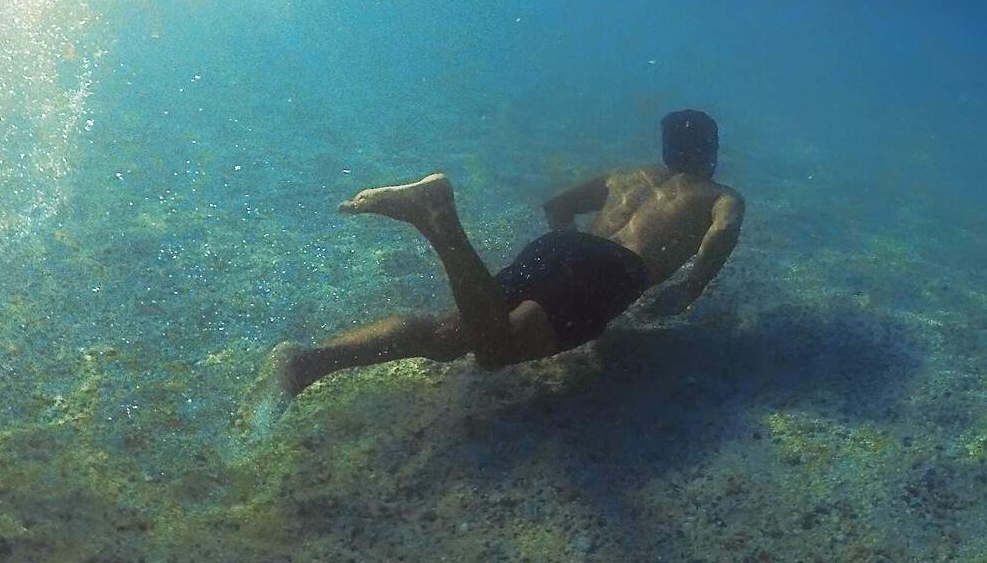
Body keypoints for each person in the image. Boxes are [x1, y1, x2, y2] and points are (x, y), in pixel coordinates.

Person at [246, 109, 744, 410]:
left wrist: (567, 259)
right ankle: (436, 219)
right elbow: (720, 235)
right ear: (712, 149)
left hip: (557, 249)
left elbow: (559, 206)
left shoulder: (626, 175)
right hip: (612, 271)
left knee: (447, 337)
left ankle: (304, 364)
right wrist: (687, 291)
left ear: (667, 147)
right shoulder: (721, 195)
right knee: (495, 351)